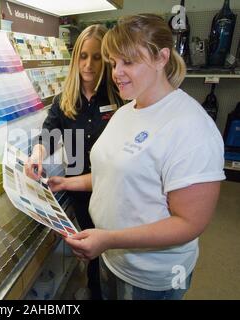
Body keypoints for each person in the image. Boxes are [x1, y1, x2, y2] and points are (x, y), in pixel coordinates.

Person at [48, 14, 225, 300]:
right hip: (113, 259)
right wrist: (66, 183)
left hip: (151, 276)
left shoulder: (191, 127)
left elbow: (189, 223)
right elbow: (117, 173)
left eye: (128, 62)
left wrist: (109, 239)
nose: (116, 72)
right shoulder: (126, 111)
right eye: (114, 62)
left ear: (161, 58)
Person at [25, 24, 122, 300]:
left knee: (114, 253)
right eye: (83, 56)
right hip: (80, 193)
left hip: (114, 192)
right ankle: (94, 291)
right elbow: (49, 134)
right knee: (90, 250)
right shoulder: (66, 98)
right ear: (75, 58)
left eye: (97, 56)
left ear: (107, 59)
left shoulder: (120, 96)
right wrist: (37, 156)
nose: (89, 64)